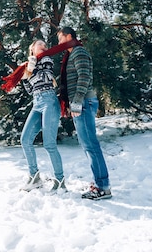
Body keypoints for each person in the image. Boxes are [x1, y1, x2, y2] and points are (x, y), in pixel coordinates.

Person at [57, 26, 112, 200]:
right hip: (82, 103)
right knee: (88, 145)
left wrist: (77, 101)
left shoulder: (79, 52)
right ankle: (100, 183)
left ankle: (103, 187)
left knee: (91, 145)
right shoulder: (73, 54)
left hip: (84, 103)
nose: (59, 43)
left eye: (60, 39)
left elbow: (84, 77)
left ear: (69, 36)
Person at [18, 39, 67, 193]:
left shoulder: (46, 59)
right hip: (37, 102)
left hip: (49, 101)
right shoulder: (28, 65)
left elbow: (45, 78)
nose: (44, 45)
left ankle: (60, 181)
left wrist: (31, 72)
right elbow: (29, 90)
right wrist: (27, 74)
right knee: (25, 140)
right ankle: (35, 177)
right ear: (32, 48)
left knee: (49, 144)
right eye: (40, 44)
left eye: (46, 44)